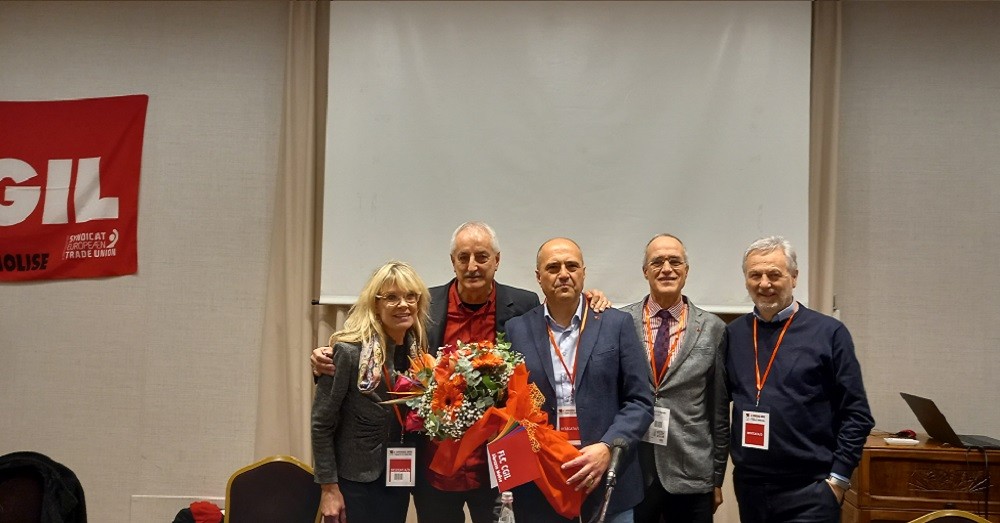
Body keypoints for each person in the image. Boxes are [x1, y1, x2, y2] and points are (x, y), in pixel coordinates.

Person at [311, 222, 610, 523]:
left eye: (482, 257)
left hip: (497, 463)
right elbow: (383, 350)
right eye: (463, 257)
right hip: (434, 469)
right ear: (452, 261)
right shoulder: (424, 306)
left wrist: (591, 299)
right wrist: (328, 357)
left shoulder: (522, 304)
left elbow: (560, 311)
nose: (472, 266)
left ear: (497, 261)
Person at [725, 236, 874, 523]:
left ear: (794, 277)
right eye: (755, 275)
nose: (764, 283)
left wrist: (838, 480)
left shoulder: (829, 333)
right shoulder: (734, 334)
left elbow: (857, 413)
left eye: (774, 274)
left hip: (811, 491)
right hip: (751, 488)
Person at [504, 237, 653, 523]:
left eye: (571, 266)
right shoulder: (516, 330)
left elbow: (640, 401)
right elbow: (508, 405)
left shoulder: (616, 324)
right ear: (538, 277)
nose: (563, 274)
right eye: (553, 267)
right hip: (542, 486)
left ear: (583, 273)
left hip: (608, 481)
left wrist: (608, 446)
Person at [620, 234, 728, 523]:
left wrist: (717, 477)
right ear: (645, 271)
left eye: (675, 261)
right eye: (657, 262)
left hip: (691, 470)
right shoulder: (620, 322)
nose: (666, 268)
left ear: (686, 271)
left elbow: (718, 410)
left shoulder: (713, 328)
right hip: (634, 470)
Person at [311, 261, 430, 523]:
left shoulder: (419, 355)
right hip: (353, 481)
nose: (403, 305)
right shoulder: (348, 352)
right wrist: (328, 488)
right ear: (375, 304)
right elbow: (321, 424)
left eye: (410, 296)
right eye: (391, 297)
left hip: (396, 479)